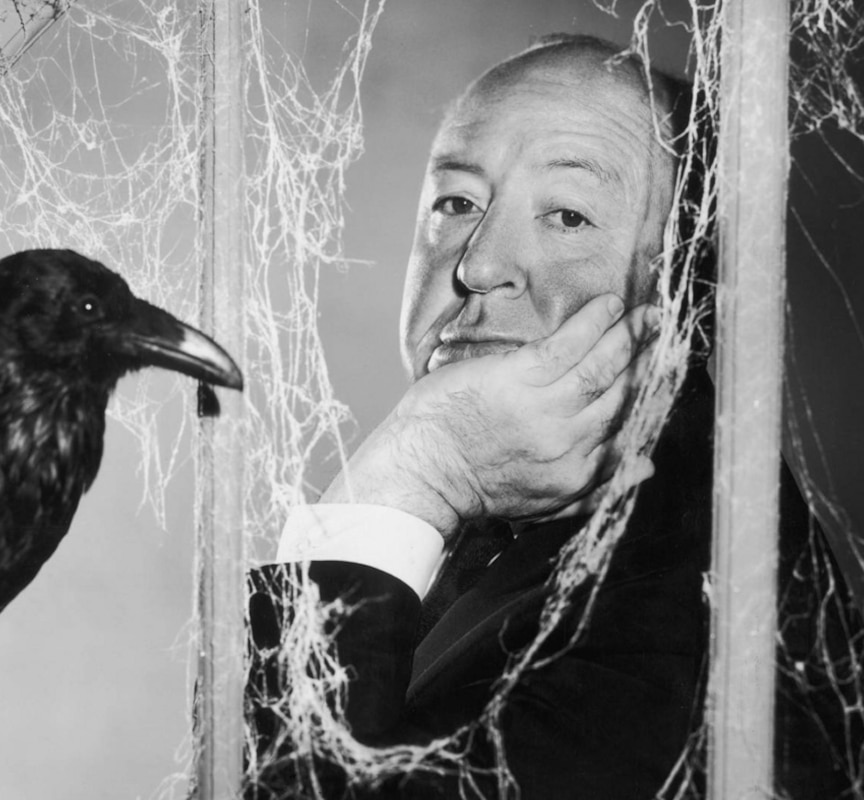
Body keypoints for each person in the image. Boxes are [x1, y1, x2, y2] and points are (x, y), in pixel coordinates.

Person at [247, 34, 862, 800]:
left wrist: (410, 474)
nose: (477, 265)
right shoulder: (530, 523)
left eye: (568, 216)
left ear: (686, 294)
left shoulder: (680, 617)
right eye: (457, 203)